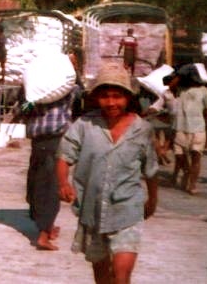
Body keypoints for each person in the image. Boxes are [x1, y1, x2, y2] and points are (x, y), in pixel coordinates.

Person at [57, 64, 158, 284]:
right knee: (102, 275)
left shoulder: (142, 130)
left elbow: (150, 170)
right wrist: (63, 183)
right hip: (91, 210)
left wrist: (152, 201)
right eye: (105, 97)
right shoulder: (84, 125)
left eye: (117, 96)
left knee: (121, 276)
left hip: (127, 209)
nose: (111, 103)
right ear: (96, 98)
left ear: (127, 98)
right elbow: (65, 155)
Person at [22, 89, 75, 251]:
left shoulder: (31, 88)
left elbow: (22, 109)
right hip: (56, 140)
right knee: (51, 185)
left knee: (38, 182)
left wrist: (32, 102)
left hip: (38, 140)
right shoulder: (68, 87)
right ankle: (44, 235)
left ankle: (47, 226)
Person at [171, 65, 207, 194]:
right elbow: (171, 85)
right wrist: (181, 73)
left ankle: (192, 184)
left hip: (198, 128)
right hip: (180, 127)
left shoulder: (203, 90)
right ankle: (187, 173)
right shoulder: (179, 89)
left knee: (196, 156)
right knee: (180, 157)